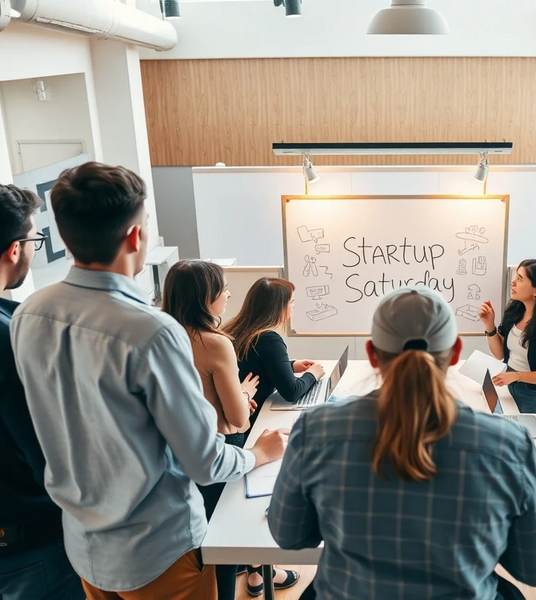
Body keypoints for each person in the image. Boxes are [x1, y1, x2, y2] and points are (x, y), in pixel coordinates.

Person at [10, 162, 289, 600]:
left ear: (63, 234)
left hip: (83, 546)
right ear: (135, 236)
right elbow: (205, 462)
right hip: (158, 550)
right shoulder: (152, 333)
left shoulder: (29, 315)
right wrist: (257, 454)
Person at [268, 286, 536, 600]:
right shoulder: (508, 444)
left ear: (372, 354)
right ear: (454, 353)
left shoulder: (315, 430)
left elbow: (289, 534)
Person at [162, 261, 300, 598]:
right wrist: (241, 395)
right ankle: (249, 575)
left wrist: (225, 409)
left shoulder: (162, 337)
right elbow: (238, 420)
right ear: (206, 297)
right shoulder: (213, 342)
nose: (228, 294)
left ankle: (254, 573)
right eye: (223, 289)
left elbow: (186, 406)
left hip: (174, 456)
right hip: (220, 450)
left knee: (206, 539)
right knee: (224, 537)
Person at [0, 184, 84, 599]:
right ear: (15, 249)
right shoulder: (10, 336)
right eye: (34, 239)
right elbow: (47, 449)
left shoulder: (15, 319)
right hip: (26, 547)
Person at [222, 277, 324, 419]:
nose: (293, 306)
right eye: (291, 302)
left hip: (234, 414)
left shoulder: (235, 329)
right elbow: (291, 392)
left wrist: (291, 366)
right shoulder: (269, 339)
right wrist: (313, 374)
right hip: (253, 416)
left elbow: (254, 365)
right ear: (279, 307)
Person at [479, 259, 536, 414]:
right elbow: (500, 353)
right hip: (513, 384)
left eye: (520, 279)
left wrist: (516, 376)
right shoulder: (515, 311)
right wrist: (490, 326)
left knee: (532, 437)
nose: (513, 282)